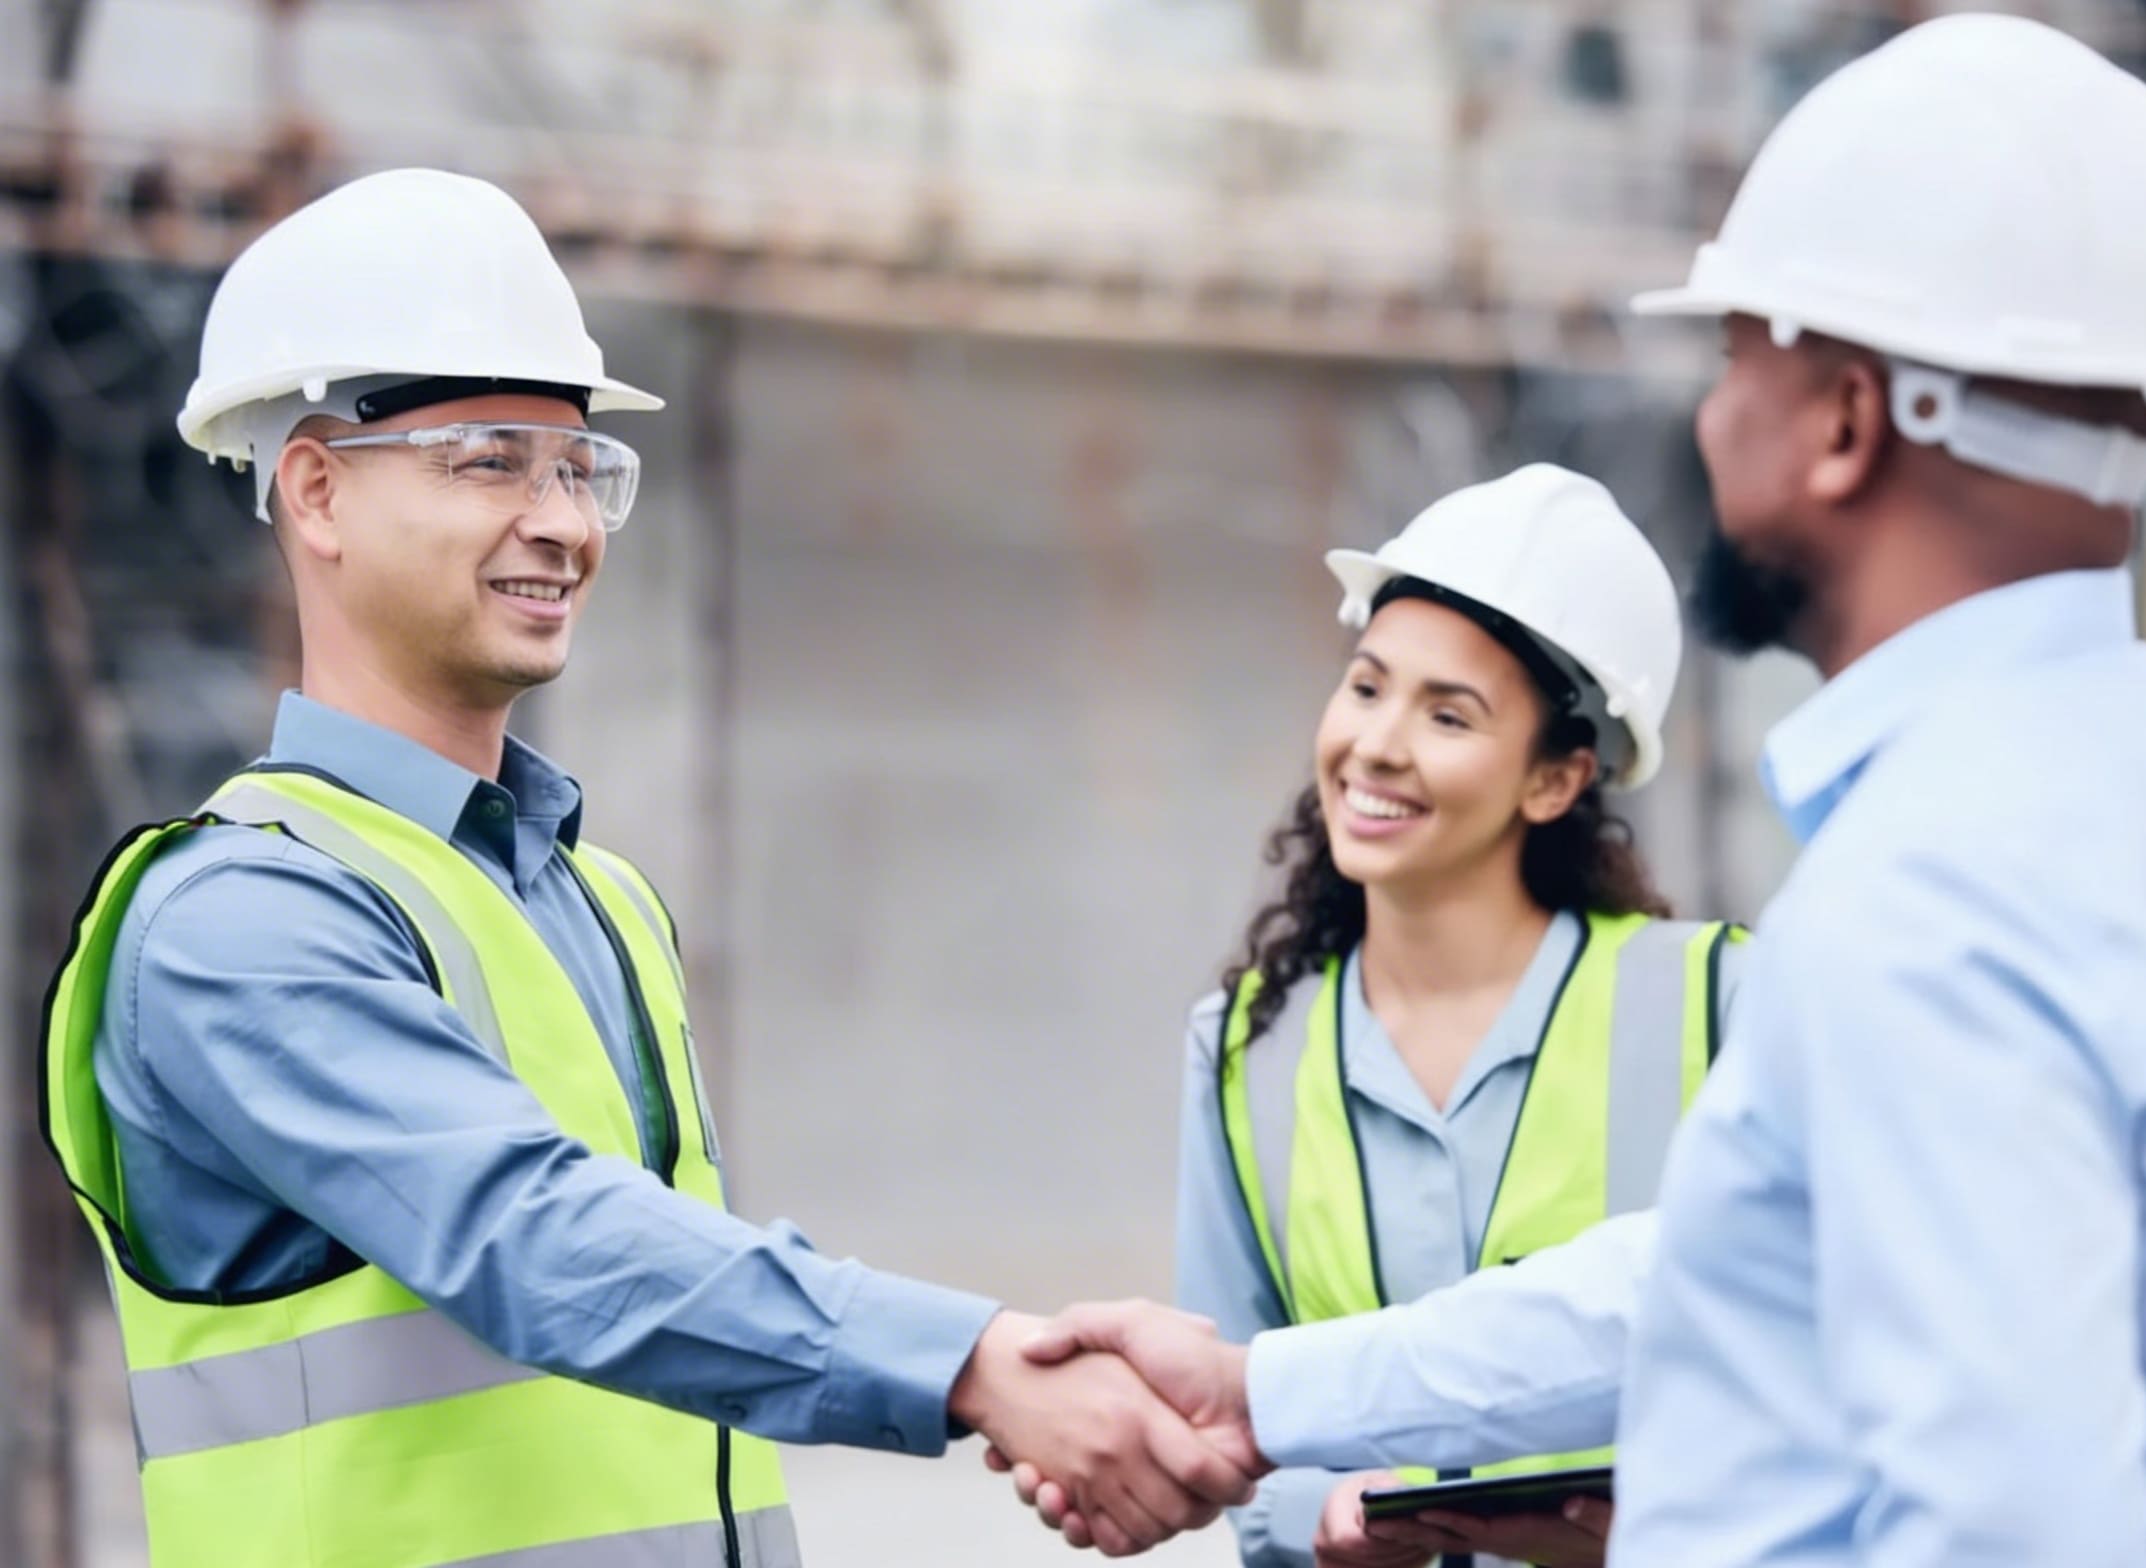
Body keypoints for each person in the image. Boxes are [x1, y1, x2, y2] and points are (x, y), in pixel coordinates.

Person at [1000, 15, 2146, 1566]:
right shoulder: (2130, 777)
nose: (1710, 418)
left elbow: (2008, 1527)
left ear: (1845, 422)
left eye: (1733, 358)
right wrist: (1262, 1387)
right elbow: (1700, 1279)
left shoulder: (1952, 882)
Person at [38, 167, 1256, 1568]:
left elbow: (660, 1318)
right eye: (492, 459)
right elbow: (538, 1239)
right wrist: (981, 1365)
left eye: (581, 467)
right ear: (315, 490)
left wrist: (1019, 1366)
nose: (564, 522)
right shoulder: (234, 922)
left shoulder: (598, 897)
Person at [1174, 465, 1742, 1568]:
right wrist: (1321, 1523)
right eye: (1367, 685)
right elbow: (1232, 1424)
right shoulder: (1243, 1044)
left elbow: (1802, 1365)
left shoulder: (1720, 1004)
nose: (1379, 743)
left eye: (1448, 713)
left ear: (1556, 778)